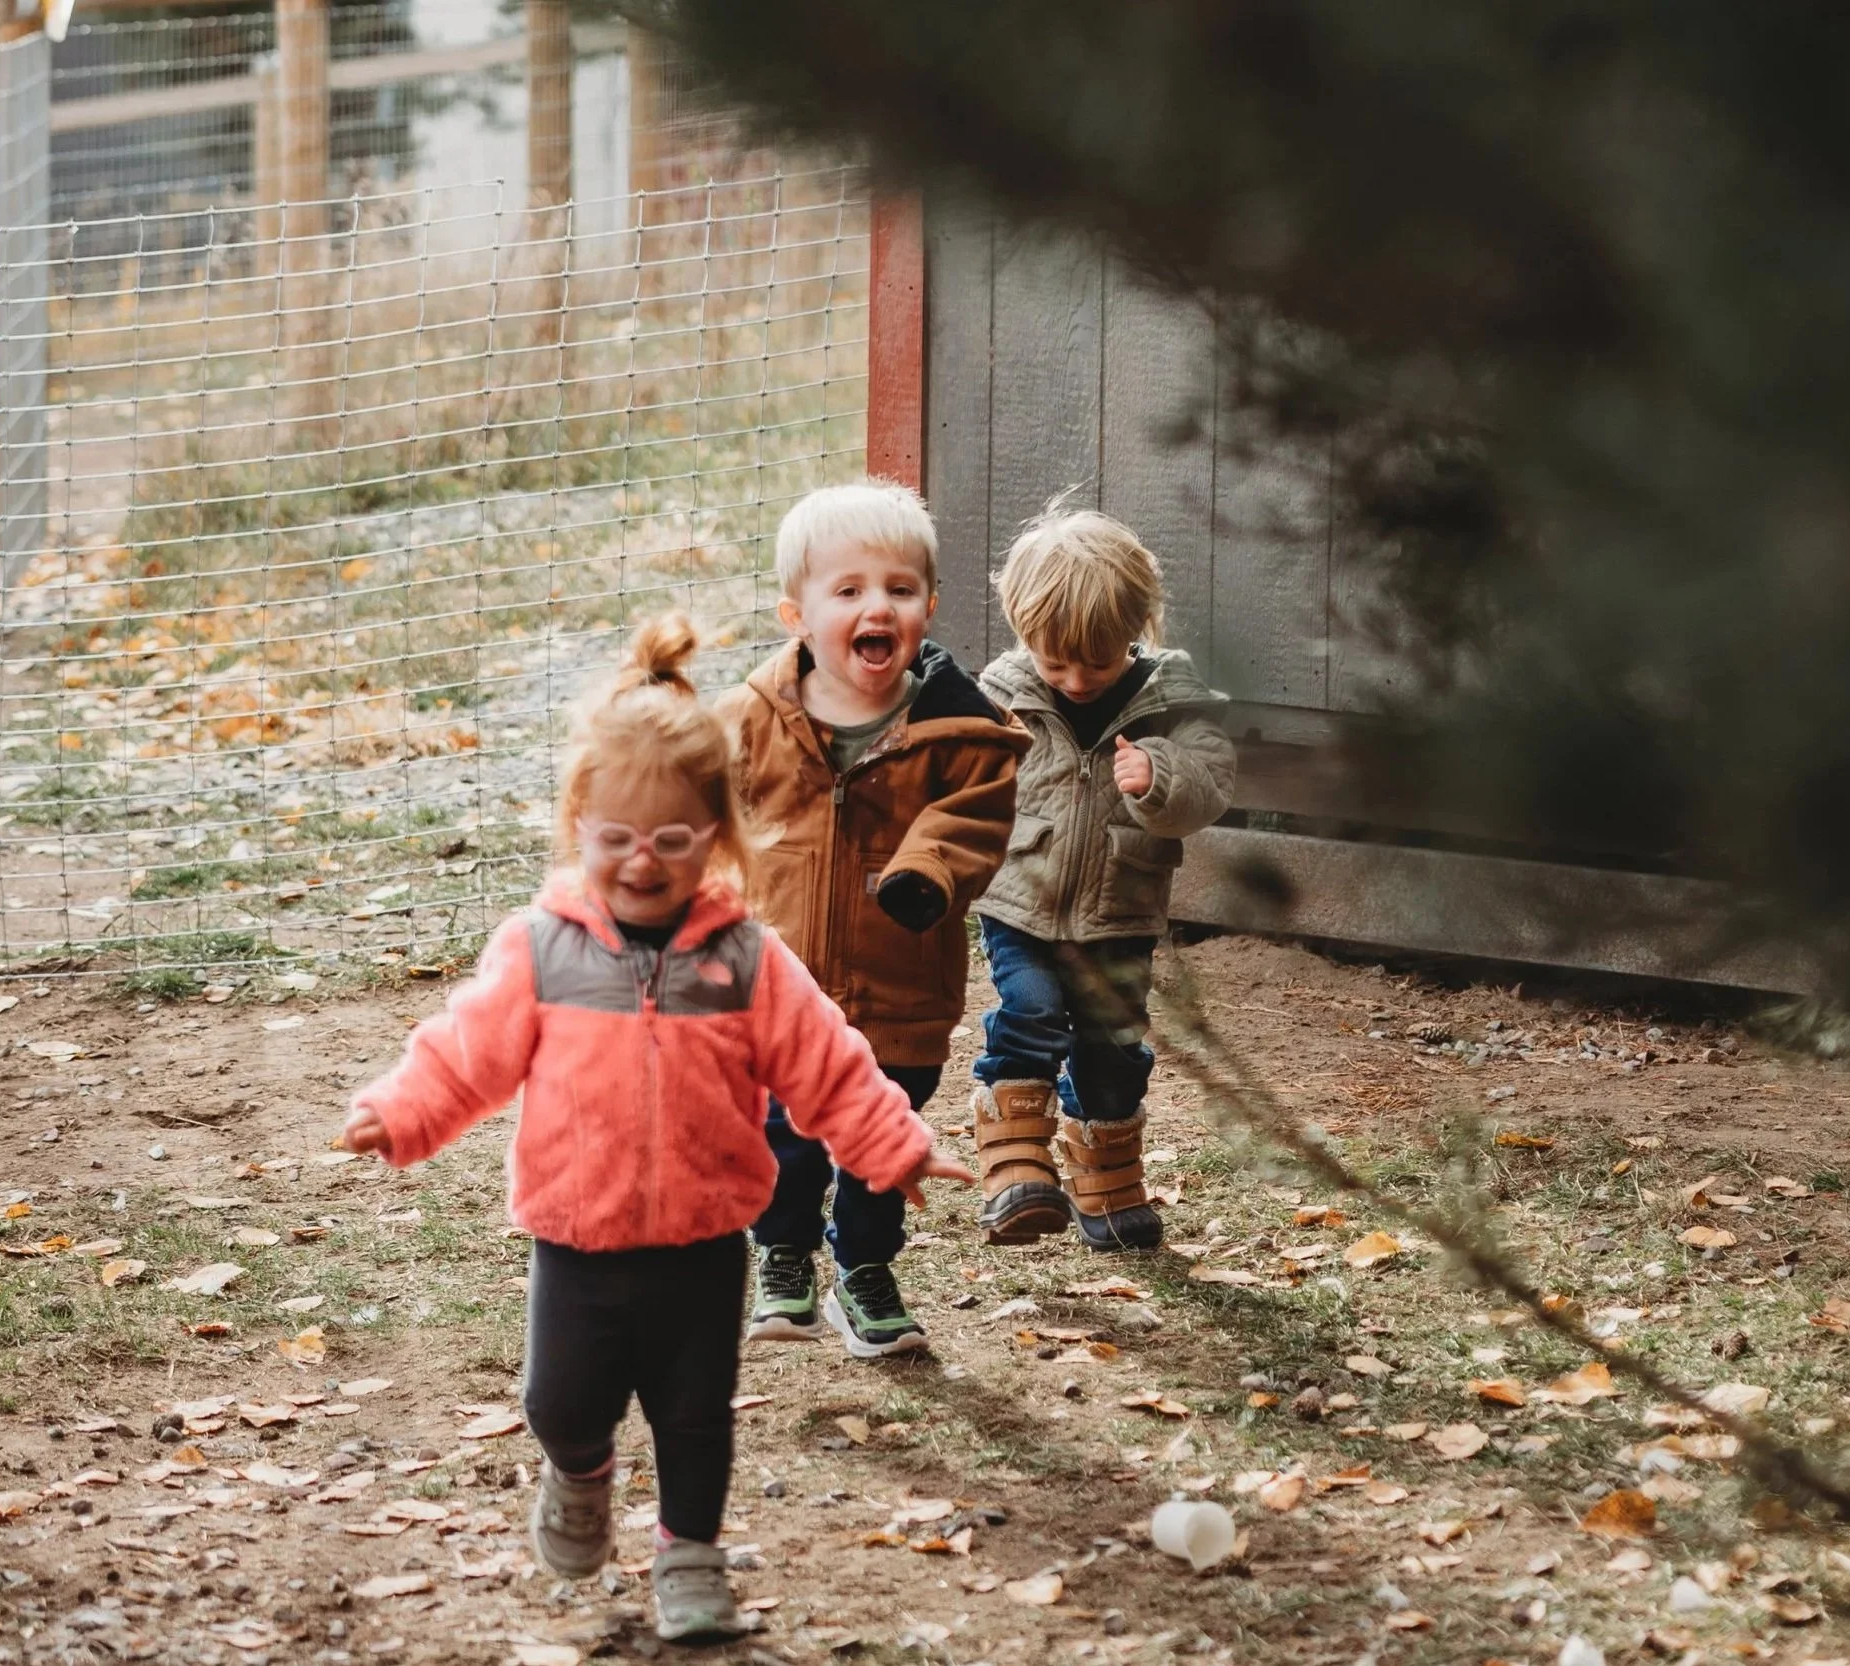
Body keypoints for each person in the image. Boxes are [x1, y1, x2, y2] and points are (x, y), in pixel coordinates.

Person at [338, 610, 970, 1640]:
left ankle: (690, 1555)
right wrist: (398, 1110)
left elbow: (828, 1065)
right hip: (575, 1235)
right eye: (617, 840)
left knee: (693, 1417)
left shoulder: (746, 960)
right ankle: (581, 1477)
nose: (642, 862)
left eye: (673, 841)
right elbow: (465, 1052)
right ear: (578, 822)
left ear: (715, 836)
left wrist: (893, 1144)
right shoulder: (540, 949)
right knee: (560, 1402)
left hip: (703, 1238)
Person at [719, 480, 1029, 1354]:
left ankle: (865, 1267)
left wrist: (927, 871)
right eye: (847, 590)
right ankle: (782, 1254)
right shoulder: (752, 716)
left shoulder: (961, 731)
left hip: (901, 982)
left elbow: (974, 815)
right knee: (788, 1136)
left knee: (883, 1135)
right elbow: (703, 810)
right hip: (783, 990)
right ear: (797, 614)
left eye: (898, 588)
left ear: (928, 606)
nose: (876, 606)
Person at [970, 503, 1235, 1250]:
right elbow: (956, 776)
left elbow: (1211, 782)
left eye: (1099, 659)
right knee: (1028, 1010)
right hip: (1019, 901)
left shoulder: (1170, 703)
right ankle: (1017, 1170)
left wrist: (1160, 775)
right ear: (1026, 636)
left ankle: (1108, 1184)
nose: (1077, 679)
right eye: (1056, 662)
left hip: (1119, 911)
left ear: (1137, 630)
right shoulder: (1003, 699)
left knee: (1112, 1045)